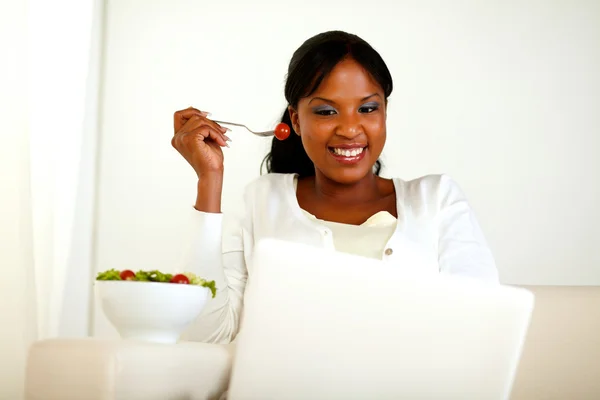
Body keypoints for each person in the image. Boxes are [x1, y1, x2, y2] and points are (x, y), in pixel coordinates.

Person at [171, 30, 499, 344]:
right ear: (296, 120)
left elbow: (482, 328)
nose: (350, 129)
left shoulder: (437, 200)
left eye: (368, 108)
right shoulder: (260, 200)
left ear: (385, 112)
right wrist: (209, 179)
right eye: (327, 111)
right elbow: (206, 335)